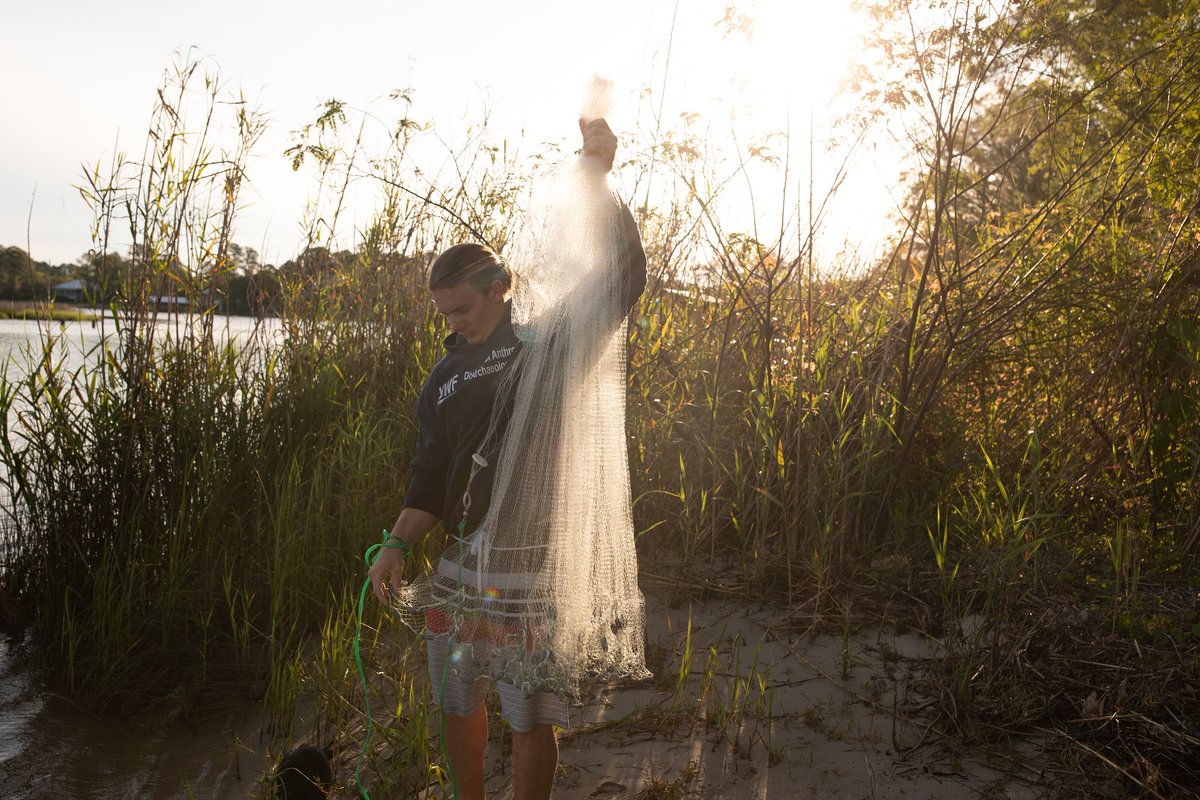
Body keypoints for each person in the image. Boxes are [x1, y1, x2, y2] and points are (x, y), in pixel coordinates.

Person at [368, 117, 647, 800]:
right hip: (462, 562)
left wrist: (598, 177)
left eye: (463, 307)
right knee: (456, 698)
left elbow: (624, 277)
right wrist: (395, 545)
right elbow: (428, 479)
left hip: (530, 561)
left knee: (529, 711)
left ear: (500, 287)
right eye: (445, 314)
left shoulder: (545, 346)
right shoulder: (442, 377)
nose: (454, 322)